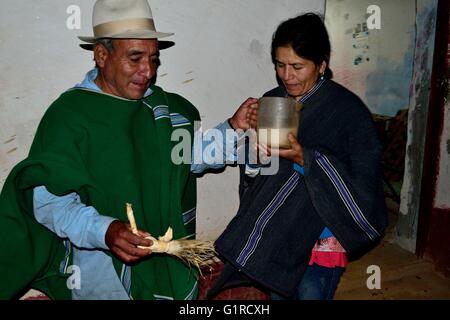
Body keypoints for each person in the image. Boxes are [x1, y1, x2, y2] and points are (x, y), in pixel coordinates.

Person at [0, 0, 256, 300]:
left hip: (163, 261)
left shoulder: (159, 108)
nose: (147, 71)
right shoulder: (70, 115)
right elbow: (48, 204)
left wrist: (233, 127)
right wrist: (105, 231)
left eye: (154, 59)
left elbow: (187, 156)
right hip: (100, 273)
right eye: (135, 58)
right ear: (101, 55)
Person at [212, 13, 387, 300]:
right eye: (279, 65)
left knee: (310, 293)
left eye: (297, 66)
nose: (287, 76)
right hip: (278, 233)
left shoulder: (347, 111)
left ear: (321, 65)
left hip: (322, 237)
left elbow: (362, 183)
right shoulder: (272, 101)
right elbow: (257, 174)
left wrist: (306, 158)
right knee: (279, 294)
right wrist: (254, 155)